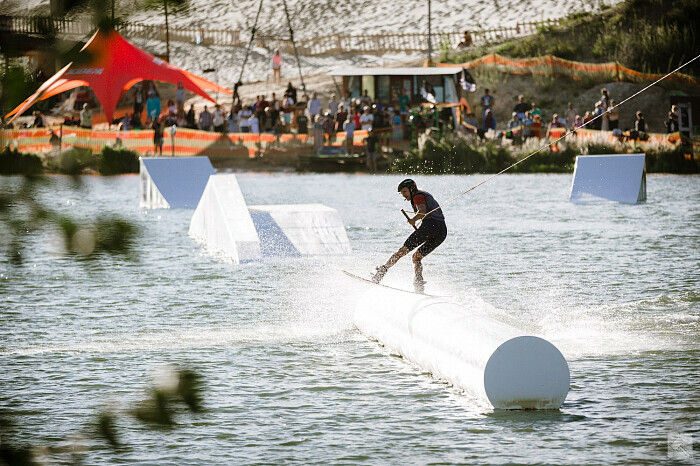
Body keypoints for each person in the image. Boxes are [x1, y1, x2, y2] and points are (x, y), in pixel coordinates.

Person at [371, 179, 447, 294]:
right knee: (417, 257)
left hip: (430, 227)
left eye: (405, 192)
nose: (404, 196)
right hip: (442, 231)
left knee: (402, 251)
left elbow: (422, 211)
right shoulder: (424, 194)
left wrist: (413, 220)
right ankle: (419, 284)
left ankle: (381, 272)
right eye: (402, 193)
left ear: (412, 189)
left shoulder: (417, 196)